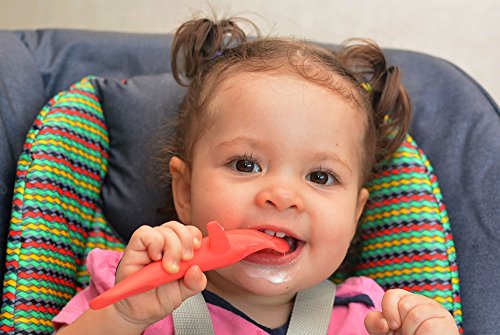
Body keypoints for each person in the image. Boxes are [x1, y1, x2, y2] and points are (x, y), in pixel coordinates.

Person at [53, 17, 459, 335]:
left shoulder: (373, 319)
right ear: (185, 191)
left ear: (355, 215)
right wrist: (123, 317)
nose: (282, 195)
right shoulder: (133, 288)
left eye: (320, 176)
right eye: (246, 165)